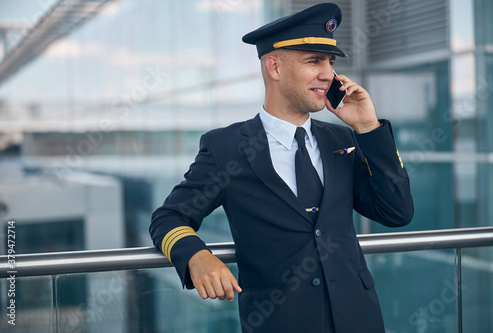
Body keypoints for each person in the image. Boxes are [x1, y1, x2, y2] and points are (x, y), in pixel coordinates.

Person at [150, 3, 414, 333]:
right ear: (274, 67)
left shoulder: (340, 139)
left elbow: (397, 212)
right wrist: (197, 257)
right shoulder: (226, 148)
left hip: (359, 319)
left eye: (330, 62)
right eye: (314, 61)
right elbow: (168, 217)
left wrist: (368, 128)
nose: (328, 74)